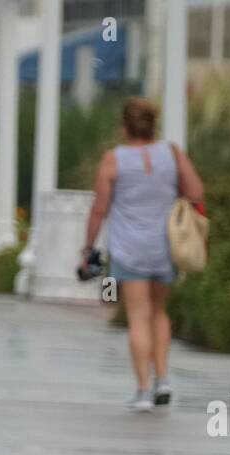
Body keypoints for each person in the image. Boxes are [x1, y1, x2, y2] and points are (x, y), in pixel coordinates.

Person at [82, 97, 204, 411]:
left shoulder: (114, 160)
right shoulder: (172, 153)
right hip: (165, 247)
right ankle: (163, 379)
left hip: (130, 249)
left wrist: (88, 248)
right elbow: (196, 192)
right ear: (153, 126)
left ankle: (143, 389)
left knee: (139, 316)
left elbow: (99, 209)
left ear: (125, 127)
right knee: (160, 313)